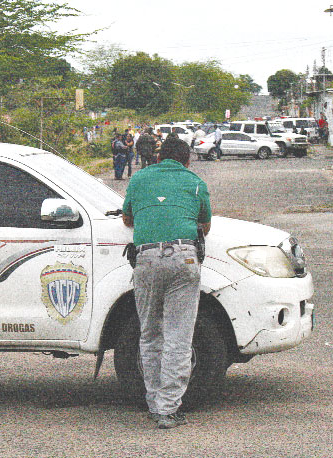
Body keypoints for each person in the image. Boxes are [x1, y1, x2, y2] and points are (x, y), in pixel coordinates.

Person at [122, 136, 212, 430]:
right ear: (187, 160)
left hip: (146, 259)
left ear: (159, 158)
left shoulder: (139, 179)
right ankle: (168, 410)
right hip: (184, 260)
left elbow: (127, 218)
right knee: (178, 337)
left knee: (149, 334)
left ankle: (152, 403)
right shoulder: (195, 181)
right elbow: (205, 225)